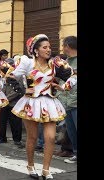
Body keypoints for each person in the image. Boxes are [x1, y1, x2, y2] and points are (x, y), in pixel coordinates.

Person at [9, 34, 76, 180]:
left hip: (49, 103)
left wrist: (63, 87)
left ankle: (46, 169)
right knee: (32, 137)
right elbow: (10, 76)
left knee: (50, 138)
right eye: (44, 47)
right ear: (36, 50)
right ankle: (31, 165)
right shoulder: (27, 63)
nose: (48, 49)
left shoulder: (55, 64)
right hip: (31, 103)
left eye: (49, 47)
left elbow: (73, 75)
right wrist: (22, 91)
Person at [57, 36, 77, 164]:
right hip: (66, 101)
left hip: (75, 101)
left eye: (63, 45)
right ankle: (75, 152)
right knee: (71, 130)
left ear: (68, 46)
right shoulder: (65, 62)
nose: (62, 48)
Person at [0, 56, 26, 148]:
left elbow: (18, 90)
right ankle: (1, 137)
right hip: (3, 102)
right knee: (2, 121)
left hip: (13, 103)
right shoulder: (2, 75)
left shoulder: (18, 75)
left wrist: (6, 98)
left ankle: (17, 140)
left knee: (15, 122)